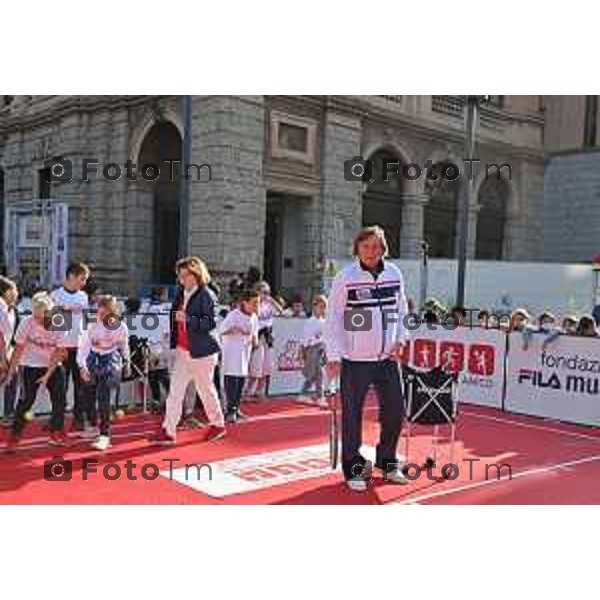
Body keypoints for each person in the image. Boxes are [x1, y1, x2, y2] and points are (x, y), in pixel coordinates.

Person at [324, 226, 410, 492]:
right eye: (365, 247)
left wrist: (402, 338)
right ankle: (354, 468)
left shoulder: (394, 273)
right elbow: (335, 318)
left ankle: (387, 461)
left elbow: (402, 308)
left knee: (396, 411)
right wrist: (334, 356)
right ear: (357, 249)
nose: (371, 252)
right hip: (354, 360)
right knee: (352, 416)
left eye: (375, 246)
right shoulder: (345, 277)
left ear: (383, 248)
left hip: (388, 359)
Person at [150, 256, 225, 445]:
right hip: (184, 350)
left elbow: (211, 323)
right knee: (175, 391)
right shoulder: (182, 293)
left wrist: (188, 319)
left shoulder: (207, 294)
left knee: (205, 389)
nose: (181, 279)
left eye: (185, 275)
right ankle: (168, 430)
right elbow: (177, 318)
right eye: (180, 276)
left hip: (203, 352)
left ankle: (218, 424)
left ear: (196, 274)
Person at [4, 292, 68, 450]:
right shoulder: (27, 322)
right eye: (35, 316)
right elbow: (18, 349)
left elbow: (59, 353)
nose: (37, 320)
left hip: (53, 365)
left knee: (60, 399)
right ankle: (15, 436)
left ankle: (56, 432)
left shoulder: (60, 324)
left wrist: (47, 375)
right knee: (26, 400)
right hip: (29, 365)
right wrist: (11, 372)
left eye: (41, 317)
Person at [77, 295, 131, 451]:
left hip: (111, 359)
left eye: (105, 314)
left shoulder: (121, 327)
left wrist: (127, 362)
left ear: (113, 312)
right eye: (99, 313)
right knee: (87, 394)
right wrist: (82, 367)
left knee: (103, 396)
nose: (101, 317)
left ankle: (104, 435)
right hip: (92, 357)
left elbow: (123, 346)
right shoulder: (91, 325)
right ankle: (93, 425)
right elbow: (83, 348)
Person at [50, 262, 92, 433]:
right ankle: (56, 420)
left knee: (80, 386)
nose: (84, 283)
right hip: (61, 349)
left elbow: (86, 321)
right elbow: (50, 323)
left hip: (80, 348)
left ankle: (78, 419)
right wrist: (64, 310)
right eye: (82, 279)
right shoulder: (55, 295)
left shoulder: (83, 296)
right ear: (71, 276)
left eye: (85, 280)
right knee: (59, 388)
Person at [218, 289, 260, 423]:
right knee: (231, 381)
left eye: (258, 303)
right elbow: (221, 330)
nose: (256, 306)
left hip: (245, 353)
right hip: (231, 353)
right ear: (245, 302)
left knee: (241, 381)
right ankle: (230, 410)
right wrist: (234, 330)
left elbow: (255, 334)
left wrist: (255, 341)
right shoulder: (233, 315)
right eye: (254, 303)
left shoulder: (254, 317)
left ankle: (236, 408)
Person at [246, 281, 284, 400]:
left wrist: (271, 300)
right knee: (255, 366)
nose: (266, 295)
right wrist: (259, 300)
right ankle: (247, 392)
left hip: (268, 337)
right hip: (258, 336)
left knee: (266, 366)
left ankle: (259, 391)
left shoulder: (269, 304)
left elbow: (280, 311)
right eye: (264, 292)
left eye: (268, 292)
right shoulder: (255, 304)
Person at [299, 295, 328, 407]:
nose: (322, 309)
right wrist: (302, 353)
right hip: (312, 349)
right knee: (317, 373)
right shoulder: (310, 322)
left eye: (324, 307)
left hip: (321, 349)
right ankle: (319, 396)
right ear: (314, 307)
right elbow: (304, 339)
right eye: (321, 307)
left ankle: (304, 394)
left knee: (316, 374)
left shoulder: (323, 321)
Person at [0, 276, 19, 425]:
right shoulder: (1, 307)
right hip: (2, 352)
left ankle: (8, 414)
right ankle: (8, 414)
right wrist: (2, 359)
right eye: (14, 289)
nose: (16, 292)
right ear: (6, 291)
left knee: (12, 379)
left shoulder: (10, 308)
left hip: (6, 350)